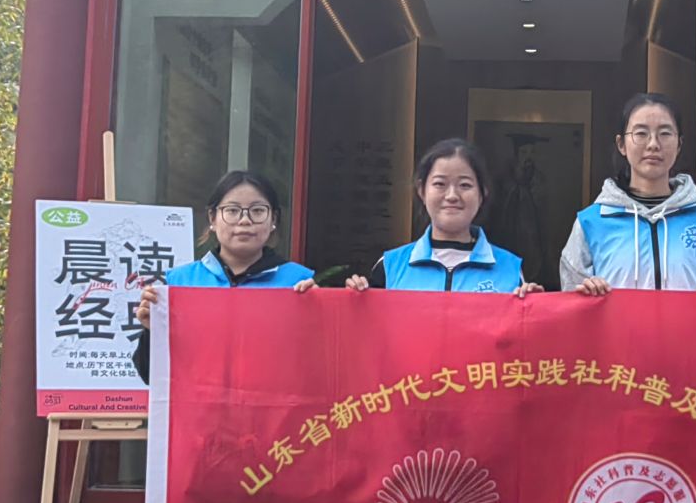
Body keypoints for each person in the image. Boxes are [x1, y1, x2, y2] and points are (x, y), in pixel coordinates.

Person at [132, 169, 312, 381]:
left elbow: (318, 368)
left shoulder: (298, 283)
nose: (244, 221)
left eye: (257, 210)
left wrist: (328, 314)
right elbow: (152, 376)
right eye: (232, 210)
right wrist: (152, 331)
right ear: (213, 218)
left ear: (273, 219)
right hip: (200, 403)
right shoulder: (180, 283)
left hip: (272, 403)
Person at [559, 93, 696, 295]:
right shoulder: (591, 222)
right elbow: (572, 302)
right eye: (641, 133)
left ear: (679, 144)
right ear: (621, 145)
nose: (653, 144)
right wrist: (587, 292)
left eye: (665, 133)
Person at [346, 139, 541, 294]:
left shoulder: (510, 269)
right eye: (440, 184)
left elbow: (523, 332)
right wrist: (355, 299)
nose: (452, 196)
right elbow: (366, 329)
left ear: (482, 194)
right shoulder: (390, 267)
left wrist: (533, 307)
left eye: (465, 185)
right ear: (422, 191)